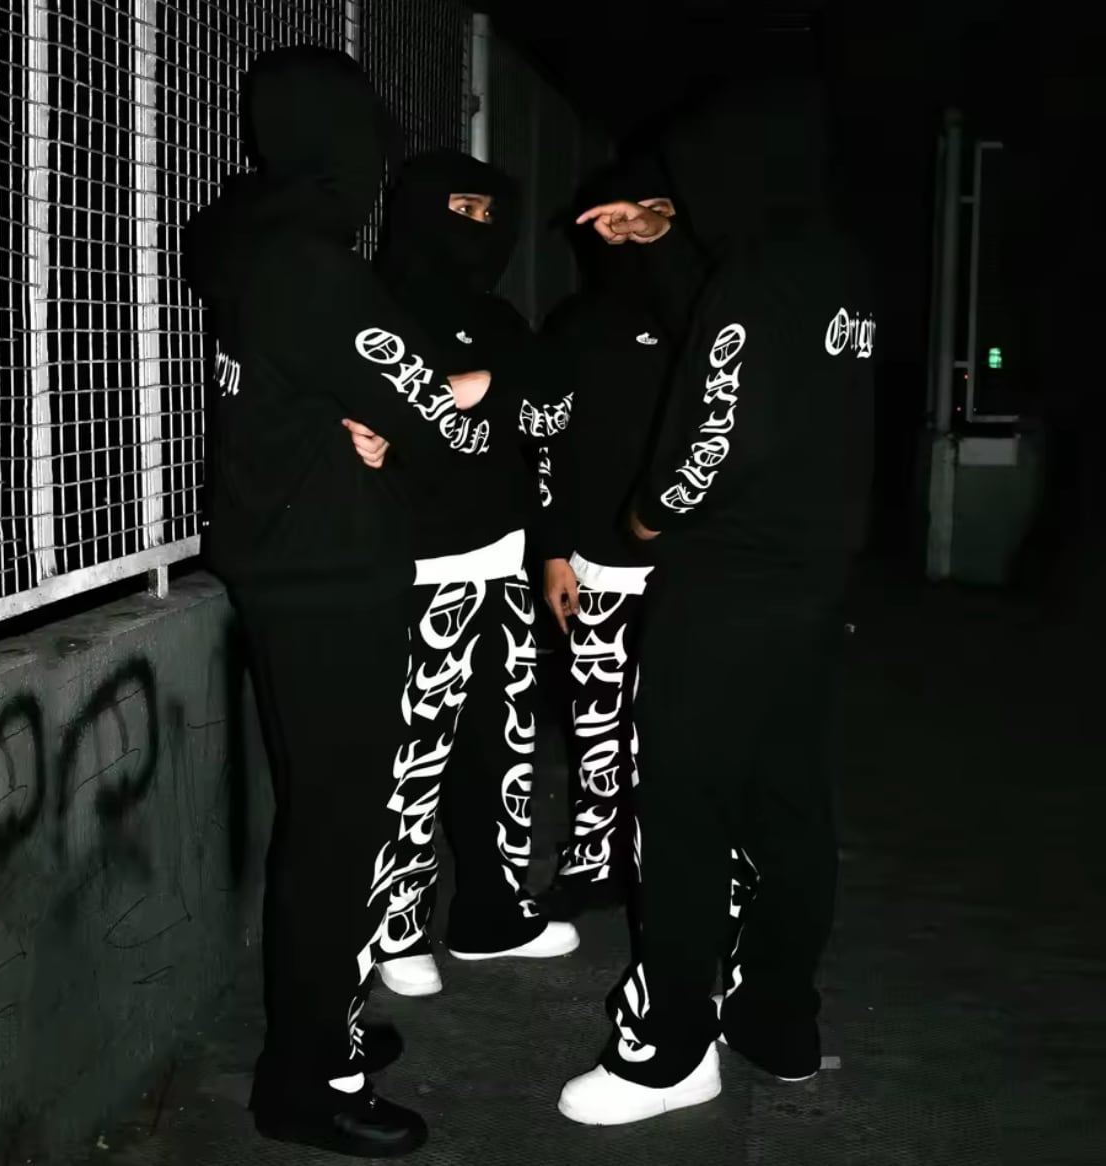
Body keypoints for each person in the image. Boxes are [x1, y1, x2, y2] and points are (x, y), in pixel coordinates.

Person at [184, 47, 497, 1158]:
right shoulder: (315, 270)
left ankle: (324, 1025)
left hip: (286, 565)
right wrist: (482, 385)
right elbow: (443, 426)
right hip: (328, 578)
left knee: (324, 820)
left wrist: (378, 415)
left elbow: (352, 397)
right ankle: (306, 1080)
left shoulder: (248, 248)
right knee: (338, 831)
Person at [557, 77, 875, 1125]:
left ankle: (668, 1052)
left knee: (681, 815)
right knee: (789, 807)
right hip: (809, 586)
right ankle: (777, 1022)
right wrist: (661, 245)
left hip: (724, 586)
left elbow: (715, 430)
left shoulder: (752, 275)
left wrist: (648, 514)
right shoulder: (839, 266)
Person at [344, 150, 579, 1000]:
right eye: (463, 209)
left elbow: (552, 412)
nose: (480, 229)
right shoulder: (371, 308)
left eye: (490, 215)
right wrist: (480, 388)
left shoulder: (496, 317)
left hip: (503, 561)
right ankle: (398, 931)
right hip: (416, 569)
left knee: (500, 751)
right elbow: (367, 419)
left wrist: (473, 385)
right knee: (411, 762)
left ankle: (491, 914)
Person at [533, 157, 681, 921]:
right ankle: (593, 860)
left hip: (694, 565)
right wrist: (553, 550)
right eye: (609, 223)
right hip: (597, 560)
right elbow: (548, 443)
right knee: (595, 724)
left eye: (647, 216)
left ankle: (677, 868)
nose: (624, 235)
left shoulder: (708, 314)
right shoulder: (576, 323)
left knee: (680, 728)